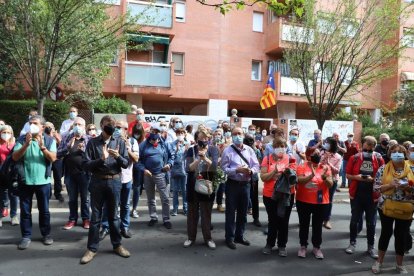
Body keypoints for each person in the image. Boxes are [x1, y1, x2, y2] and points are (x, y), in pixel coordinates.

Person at [80, 115, 130, 264]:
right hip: (97, 182)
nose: (111, 126)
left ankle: (117, 245)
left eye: (113, 124)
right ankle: (92, 249)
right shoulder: (93, 143)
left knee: (114, 217)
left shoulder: (119, 142)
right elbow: (85, 165)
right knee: (95, 217)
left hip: (114, 182)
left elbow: (126, 164)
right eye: (108, 124)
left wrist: (119, 156)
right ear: (101, 125)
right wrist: (101, 159)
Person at [12, 115, 57, 250]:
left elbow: (53, 158)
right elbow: (15, 157)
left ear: (42, 127)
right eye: (30, 123)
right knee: (25, 211)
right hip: (25, 181)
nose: (31, 125)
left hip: (43, 181)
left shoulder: (49, 140)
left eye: (35, 123)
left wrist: (42, 147)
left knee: (44, 211)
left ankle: (46, 234)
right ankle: (26, 236)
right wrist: (26, 144)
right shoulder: (22, 139)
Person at [371, 144, 414, 274]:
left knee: (401, 235)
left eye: (399, 152)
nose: (397, 154)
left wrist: (407, 188)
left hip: (405, 207)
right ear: (390, 154)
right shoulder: (383, 168)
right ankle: (379, 262)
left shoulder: (412, 169)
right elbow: (376, 188)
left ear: (405, 154)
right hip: (386, 206)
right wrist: (390, 185)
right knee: (386, 233)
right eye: (394, 152)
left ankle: (399, 264)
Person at [221, 127, 260, 250]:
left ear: (243, 135)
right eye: (235, 134)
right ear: (231, 136)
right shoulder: (227, 150)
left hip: (246, 185)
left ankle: (239, 236)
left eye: (239, 133)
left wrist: (251, 170)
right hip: (233, 184)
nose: (237, 136)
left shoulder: (249, 150)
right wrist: (237, 170)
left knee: (243, 213)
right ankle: (229, 238)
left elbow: (256, 165)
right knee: (231, 213)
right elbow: (224, 168)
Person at [345, 136, 384, 259]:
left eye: (371, 150)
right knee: (354, 220)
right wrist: (358, 177)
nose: (368, 152)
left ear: (374, 148)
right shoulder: (354, 158)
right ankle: (352, 243)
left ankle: (371, 247)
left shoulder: (379, 159)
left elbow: (382, 176)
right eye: (366, 149)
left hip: (372, 195)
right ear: (362, 146)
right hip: (356, 194)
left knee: (371, 223)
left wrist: (373, 180)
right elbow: (347, 175)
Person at [100, 120, 139, 240]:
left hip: (126, 178)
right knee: (108, 204)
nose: (117, 129)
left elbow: (136, 159)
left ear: (126, 130)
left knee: (125, 205)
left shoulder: (132, 141)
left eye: (120, 128)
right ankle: (105, 227)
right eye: (116, 127)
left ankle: (124, 227)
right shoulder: (110, 140)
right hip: (112, 178)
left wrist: (127, 148)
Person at [260, 137, 296, 257]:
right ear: (272, 148)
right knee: (273, 220)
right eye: (277, 146)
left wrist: (287, 174)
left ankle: (282, 245)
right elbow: (263, 177)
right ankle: (269, 244)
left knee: (284, 221)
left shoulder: (290, 159)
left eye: (283, 146)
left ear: (286, 148)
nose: (280, 149)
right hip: (270, 195)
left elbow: (294, 180)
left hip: (286, 195)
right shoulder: (267, 159)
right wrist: (274, 171)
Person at [183, 129, 219, 249]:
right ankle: (190, 238)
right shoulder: (191, 150)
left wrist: (205, 158)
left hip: (207, 184)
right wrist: (198, 159)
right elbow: (189, 168)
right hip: (193, 185)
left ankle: (208, 238)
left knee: (206, 214)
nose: (203, 140)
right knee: (192, 214)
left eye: (206, 138)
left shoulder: (214, 149)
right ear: (196, 138)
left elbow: (214, 167)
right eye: (201, 138)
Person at [296, 149, 333, 259]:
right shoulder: (302, 166)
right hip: (303, 201)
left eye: (318, 153)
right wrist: (310, 176)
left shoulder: (325, 167)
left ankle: (316, 247)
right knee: (304, 225)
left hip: (320, 202)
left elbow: (330, 185)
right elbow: (300, 181)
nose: (317, 155)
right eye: (314, 154)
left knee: (317, 226)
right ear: (308, 155)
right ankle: (303, 246)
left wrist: (325, 178)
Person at [138, 123, 174, 229]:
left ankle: (166, 219)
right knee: (151, 198)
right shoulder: (143, 145)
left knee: (165, 198)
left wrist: (169, 164)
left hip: (161, 174)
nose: (155, 133)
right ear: (150, 132)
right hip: (148, 174)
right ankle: (153, 217)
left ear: (160, 133)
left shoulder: (165, 144)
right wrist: (143, 169)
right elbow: (138, 161)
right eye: (153, 131)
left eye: (157, 132)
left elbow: (172, 156)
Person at [58, 117, 90, 230]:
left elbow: (93, 157)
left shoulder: (89, 139)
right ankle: (72, 219)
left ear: (84, 127)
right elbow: (58, 154)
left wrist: (84, 150)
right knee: (72, 199)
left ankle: (86, 219)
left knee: (85, 199)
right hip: (70, 173)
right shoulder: (67, 137)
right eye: (75, 124)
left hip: (84, 174)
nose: (77, 126)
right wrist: (67, 148)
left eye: (80, 124)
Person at [320, 137, 342, 230]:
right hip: (320, 179)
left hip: (332, 180)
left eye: (327, 143)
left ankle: (326, 219)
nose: (325, 144)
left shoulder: (338, 156)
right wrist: (322, 159)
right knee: (319, 198)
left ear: (332, 145)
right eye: (325, 142)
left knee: (329, 200)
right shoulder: (321, 153)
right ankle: (318, 218)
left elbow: (337, 171)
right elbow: (316, 165)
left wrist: (329, 163)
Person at [0, 125, 18, 227]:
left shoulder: (14, 145)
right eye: (4, 132)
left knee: (14, 195)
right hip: (1, 174)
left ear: (11, 134)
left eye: (8, 132)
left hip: (12, 173)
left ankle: (14, 216)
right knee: (2, 195)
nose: (6, 134)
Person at [243, 133, 262, 227]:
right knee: (244, 199)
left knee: (254, 199)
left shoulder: (256, 151)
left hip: (253, 177)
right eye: (248, 141)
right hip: (243, 177)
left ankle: (256, 218)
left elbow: (258, 164)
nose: (250, 142)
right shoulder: (241, 150)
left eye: (251, 140)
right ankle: (243, 218)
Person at [169, 127, 189, 216]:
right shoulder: (172, 144)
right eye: (178, 133)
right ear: (176, 134)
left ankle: (185, 208)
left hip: (184, 170)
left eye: (182, 133)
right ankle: (175, 209)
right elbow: (171, 156)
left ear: (185, 134)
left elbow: (189, 157)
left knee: (184, 190)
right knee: (175, 190)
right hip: (174, 170)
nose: (180, 135)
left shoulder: (187, 144)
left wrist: (187, 150)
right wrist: (176, 149)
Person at [45, 122, 64, 202]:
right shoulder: (43, 136)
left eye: (50, 127)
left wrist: (57, 138)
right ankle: (47, 193)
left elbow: (63, 146)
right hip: (47, 158)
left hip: (57, 158)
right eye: (47, 127)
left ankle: (58, 193)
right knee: (47, 176)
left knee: (58, 177)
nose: (49, 129)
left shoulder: (57, 135)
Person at [130, 123, 145, 218]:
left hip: (139, 169)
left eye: (139, 133)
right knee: (126, 188)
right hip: (129, 167)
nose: (137, 134)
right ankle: (123, 208)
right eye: (135, 132)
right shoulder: (130, 140)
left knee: (137, 189)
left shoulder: (144, 142)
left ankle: (134, 209)